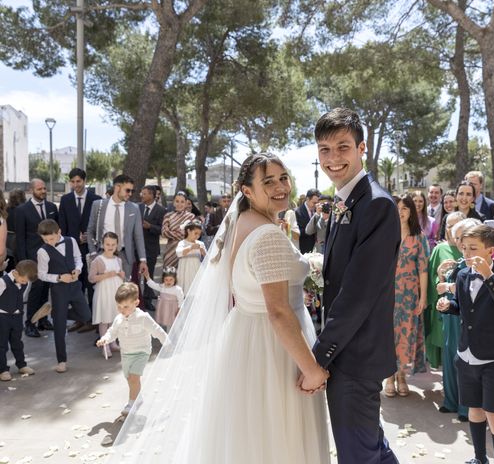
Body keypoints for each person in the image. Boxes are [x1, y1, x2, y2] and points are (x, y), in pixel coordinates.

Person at [107, 153, 330, 463]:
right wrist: (312, 370)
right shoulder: (266, 235)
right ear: (248, 191)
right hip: (273, 349)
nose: (281, 186)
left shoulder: (243, 222)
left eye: (283, 178)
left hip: (246, 339)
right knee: (277, 437)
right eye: (269, 182)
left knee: (251, 437)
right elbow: (278, 312)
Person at [314, 108, 399, 464]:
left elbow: (358, 294)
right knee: (371, 449)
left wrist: (317, 358)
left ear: (362, 148)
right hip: (349, 352)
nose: (333, 158)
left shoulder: (376, 204)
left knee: (357, 456)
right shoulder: (345, 200)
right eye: (324, 150)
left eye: (343, 147)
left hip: (355, 356)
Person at [436, 224, 494, 464]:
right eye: (464, 248)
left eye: (473, 248)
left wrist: (488, 276)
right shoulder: (462, 275)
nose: (467, 254)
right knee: (475, 410)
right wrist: (449, 306)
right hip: (467, 355)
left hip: (492, 358)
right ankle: (479, 459)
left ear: (490, 250)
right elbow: (463, 308)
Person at [96, 282, 168, 416]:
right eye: (119, 307)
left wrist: (167, 343)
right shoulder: (119, 319)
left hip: (141, 352)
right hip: (126, 353)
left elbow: (157, 330)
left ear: (136, 302)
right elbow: (113, 331)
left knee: (134, 378)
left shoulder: (143, 318)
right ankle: (137, 398)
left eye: (125, 306)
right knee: (130, 378)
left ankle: (131, 403)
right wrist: (105, 339)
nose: (122, 310)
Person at [433, 215, 477, 421]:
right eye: (457, 237)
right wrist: (443, 274)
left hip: (465, 317)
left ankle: (465, 408)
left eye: (462, 238)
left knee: (463, 361)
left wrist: (449, 286)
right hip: (450, 315)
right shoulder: (458, 261)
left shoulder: (475, 262)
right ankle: (450, 401)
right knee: (450, 359)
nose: (459, 243)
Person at [385, 194, 428, 397]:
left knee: (405, 332)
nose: (401, 212)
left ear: (411, 211)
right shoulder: (384, 234)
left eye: (405, 208)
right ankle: (388, 376)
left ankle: (401, 375)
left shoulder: (418, 236)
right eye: (398, 208)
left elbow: (423, 269)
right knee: (388, 333)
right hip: (387, 291)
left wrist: (423, 296)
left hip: (409, 293)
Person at [36, 219, 91, 373]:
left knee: (86, 315)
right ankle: (62, 361)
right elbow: (41, 275)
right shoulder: (43, 251)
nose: (49, 242)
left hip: (75, 287)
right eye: (45, 240)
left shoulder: (71, 241)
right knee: (59, 327)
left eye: (51, 239)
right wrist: (59, 278)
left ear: (59, 232)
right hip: (58, 290)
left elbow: (78, 259)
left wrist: (78, 270)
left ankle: (53, 312)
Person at [59, 168, 102, 333]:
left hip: (91, 249)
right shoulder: (65, 200)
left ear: (85, 181)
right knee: (76, 286)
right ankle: (79, 319)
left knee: (91, 285)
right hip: (72, 249)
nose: (76, 185)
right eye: (73, 182)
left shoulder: (96, 199)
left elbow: (99, 224)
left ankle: (92, 320)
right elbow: (62, 225)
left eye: (79, 181)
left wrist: (91, 238)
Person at [15, 179, 58, 337]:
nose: (43, 191)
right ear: (31, 190)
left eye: (44, 188)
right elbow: (20, 238)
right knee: (35, 291)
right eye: (39, 189)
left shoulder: (52, 207)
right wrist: (23, 262)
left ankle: (43, 320)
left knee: (46, 290)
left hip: (50, 257)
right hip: (33, 259)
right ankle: (30, 323)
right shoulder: (22, 210)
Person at [87, 174, 148, 280]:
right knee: (105, 289)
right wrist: (93, 253)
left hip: (125, 256)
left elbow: (138, 235)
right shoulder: (98, 205)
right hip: (103, 254)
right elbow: (90, 230)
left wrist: (143, 260)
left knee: (123, 291)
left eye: (132, 191)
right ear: (117, 187)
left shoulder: (134, 208)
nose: (130, 194)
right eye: (127, 190)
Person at [88, 232, 125, 358]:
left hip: (115, 291)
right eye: (107, 244)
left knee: (113, 318)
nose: (110, 246)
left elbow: (121, 274)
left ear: (117, 245)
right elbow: (91, 278)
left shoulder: (118, 260)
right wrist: (107, 275)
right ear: (103, 244)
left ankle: (112, 342)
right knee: (104, 319)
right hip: (104, 292)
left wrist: (121, 275)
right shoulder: (98, 260)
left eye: (113, 244)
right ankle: (105, 345)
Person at [0, 260, 38, 382]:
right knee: (2, 345)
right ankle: (3, 369)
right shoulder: (2, 282)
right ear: (16, 273)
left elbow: (20, 297)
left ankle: (21, 365)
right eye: (23, 280)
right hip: (2, 317)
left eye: (27, 282)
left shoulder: (25, 282)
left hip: (17, 316)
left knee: (17, 342)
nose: (25, 283)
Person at [138, 185, 166, 311]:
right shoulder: (138, 207)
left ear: (151, 195)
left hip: (151, 248)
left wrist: (150, 226)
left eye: (144, 193)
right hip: (137, 248)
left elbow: (162, 230)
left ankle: (148, 300)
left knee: (148, 275)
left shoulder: (161, 211)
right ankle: (136, 299)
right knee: (136, 275)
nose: (141, 195)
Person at [161, 191, 195, 269]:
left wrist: (171, 233)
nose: (179, 204)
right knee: (169, 276)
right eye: (177, 201)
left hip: (185, 251)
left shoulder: (191, 217)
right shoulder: (168, 216)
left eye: (182, 202)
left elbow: (189, 235)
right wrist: (180, 233)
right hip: (170, 252)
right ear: (173, 202)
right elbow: (164, 233)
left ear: (186, 203)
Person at [176, 220, 206, 294]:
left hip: (196, 269)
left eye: (199, 234)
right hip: (185, 269)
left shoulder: (200, 244)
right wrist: (190, 247)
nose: (197, 236)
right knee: (185, 290)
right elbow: (178, 253)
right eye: (195, 233)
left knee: (197, 289)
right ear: (189, 231)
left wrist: (203, 252)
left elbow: (207, 258)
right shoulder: (182, 243)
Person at [6, 189, 27, 272]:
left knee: (9, 261)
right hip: (19, 237)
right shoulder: (24, 209)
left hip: (7, 238)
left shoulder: (6, 209)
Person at [296, 189, 321, 254]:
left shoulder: (318, 211)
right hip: (305, 249)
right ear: (307, 199)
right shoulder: (298, 212)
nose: (316, 205)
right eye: (314, 203)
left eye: (318, 203)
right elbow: (300, 232)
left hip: (317, 249)